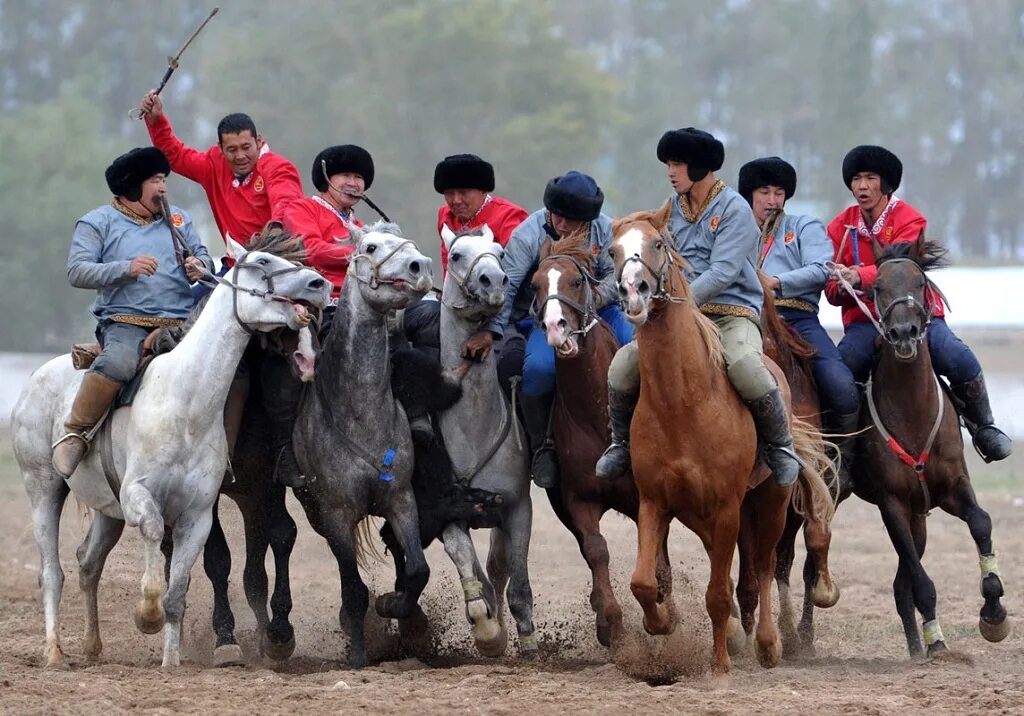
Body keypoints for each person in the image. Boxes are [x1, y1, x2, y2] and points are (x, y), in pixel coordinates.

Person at [597, 128, 802, 487]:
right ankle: (620, 444)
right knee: (623, 364)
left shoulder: (735, 210)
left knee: (745, 367)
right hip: (680, 313)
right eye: (668, 164)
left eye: (677, 164)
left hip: (731, 314)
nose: (670, 171)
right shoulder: (672, 208)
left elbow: (723, 271)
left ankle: (781, 447)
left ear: (701, 167)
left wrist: (680, 302)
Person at [824, 145, 1011, 462]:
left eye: (871, 178)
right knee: (841, 372)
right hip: (865, 322)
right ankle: (841, 452)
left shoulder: (910, 220)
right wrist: (841, 283)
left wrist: (857, 276)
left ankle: (984, 428)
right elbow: (830, 292)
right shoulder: (839, 228)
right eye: (856, 179)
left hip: (917, 318)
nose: (862, 186)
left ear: (886, 184)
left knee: (955, 356)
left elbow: (900, 268)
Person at [52, 147, 212, 479]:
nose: (164, 188)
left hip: (183, 322)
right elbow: (77, 272)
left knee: (229, 366)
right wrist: (126, 268)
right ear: (132, 187)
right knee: (118, 362)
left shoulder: (178, 219)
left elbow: (203, 257)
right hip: (126, 321)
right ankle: (76, 434)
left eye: (164, 179)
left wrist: (200, 266)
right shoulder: (98, 222)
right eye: (156, 180)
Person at [487, 171, 634, 488]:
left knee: (637, 349)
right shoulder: (528, 235)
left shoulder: (605, 230)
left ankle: (645, 435)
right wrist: (493, 333)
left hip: (601, 309)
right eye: (558, 216)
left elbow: (617, 275)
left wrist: (594, 296)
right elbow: (509, 286)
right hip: (549, 315)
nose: (563, 224)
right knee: (538, 369)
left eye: (572, 220)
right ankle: (543, 446)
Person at [738, 155, 860, 469]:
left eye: (779, 193)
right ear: (750, 193)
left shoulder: (803, 226)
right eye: (765, 192)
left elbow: (823, 268)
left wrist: (776, 283)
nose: (772, 200)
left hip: (796, 318)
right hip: (744, 319)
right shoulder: (733, 231)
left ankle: (842, 461)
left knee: (840, 384)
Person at [403, 153, 527, 365]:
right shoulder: (445, 216)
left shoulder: (511, 218)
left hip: (501, 309)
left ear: (483, 190)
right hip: (458, 309)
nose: (456, 201)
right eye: (449, 193)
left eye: (463, 192)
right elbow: (448, 265)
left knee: (510, 359)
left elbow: (514, 278)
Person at [139, 91, 303, 253]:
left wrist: (276, 228)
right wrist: (157, 121)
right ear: (221, 149)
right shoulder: (213, 166)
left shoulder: (278, 167)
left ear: (258, 141)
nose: (240, 156)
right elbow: (175, 155)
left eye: (246, 147)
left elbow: (287, 202)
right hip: (236, 266)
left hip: (278, 262)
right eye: (232, 149)